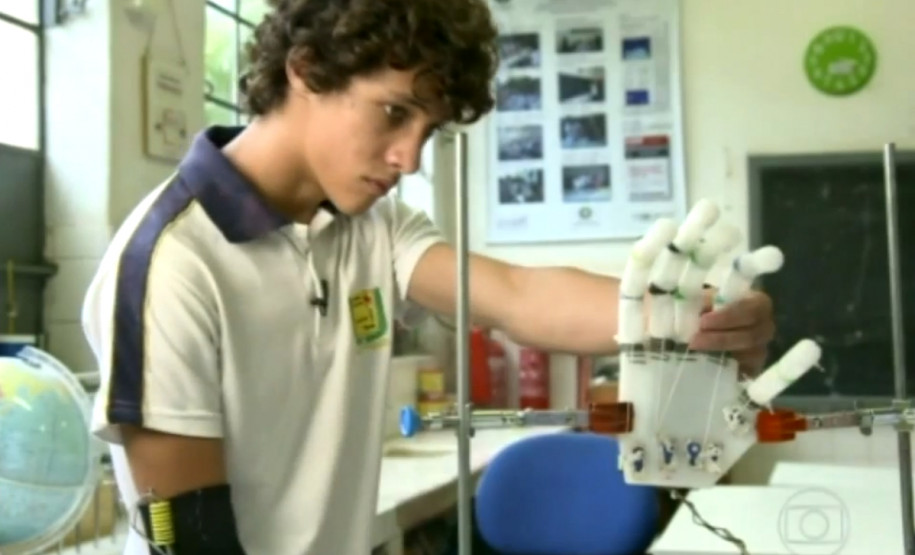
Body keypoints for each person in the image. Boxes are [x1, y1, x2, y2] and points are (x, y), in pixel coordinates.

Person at [81, 0, 775, 553]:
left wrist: (690, 316)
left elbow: (517, 296)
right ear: (306, 69)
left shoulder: (372, 227)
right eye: (394, 112)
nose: (408, 159)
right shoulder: (171, 263)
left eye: (428, 129)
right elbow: (189, 534)